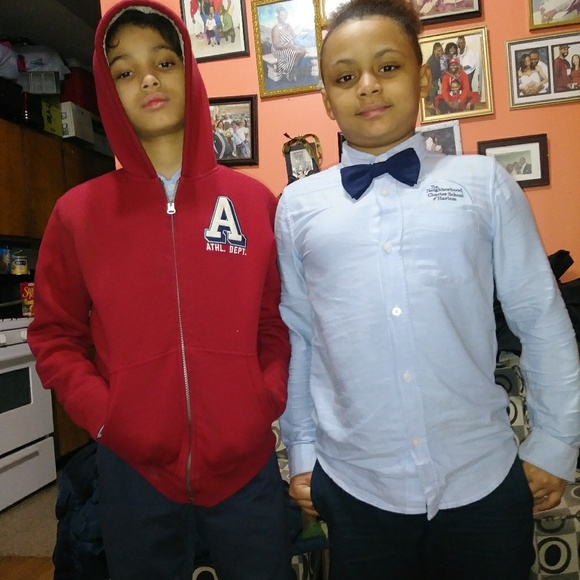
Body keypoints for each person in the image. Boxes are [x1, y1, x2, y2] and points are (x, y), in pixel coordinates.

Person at [274, 0, 580, 579]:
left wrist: (555, 442)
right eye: (345, 76)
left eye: (387, 67)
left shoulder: (484, 185)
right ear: (327, 99)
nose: (368, 86)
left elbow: (541, 319)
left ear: (421, 77)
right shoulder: (297, 207)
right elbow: (302, 339)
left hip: (482, 479)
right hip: (356, 487)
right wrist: (303, 452)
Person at [27, 2, 293, 579]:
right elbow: (54, 335)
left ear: (188, 73)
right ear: (108, 92)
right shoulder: (78, 214)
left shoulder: (253, 204)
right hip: (135, 475)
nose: (147, 79)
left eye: (164, 62)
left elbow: (274, 322)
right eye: (125, 71)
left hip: (244, 468)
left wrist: (264, 398)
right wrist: (106, 417)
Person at [271, 6, 307, 83]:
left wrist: (299, 33)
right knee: (294, 52)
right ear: (278, 16)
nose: (284, 17)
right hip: (279, 49)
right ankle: (290, 72)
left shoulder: (288, 26)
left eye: (285, 15)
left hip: (289, 46)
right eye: (282, 15)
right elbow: (276, 44)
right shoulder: (276, 28)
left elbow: (293, 37)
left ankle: (293, 69)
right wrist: (289, 46)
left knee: (303, 50)